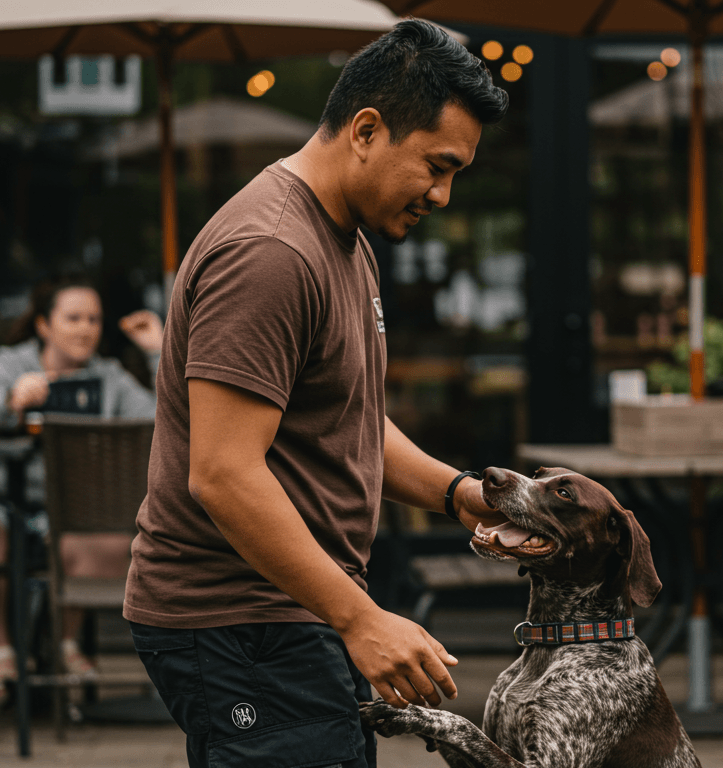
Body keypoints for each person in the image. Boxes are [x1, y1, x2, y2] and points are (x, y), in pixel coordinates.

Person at [123, 19, 511, 768]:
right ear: (366, 130)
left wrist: (459, 493)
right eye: (437, 165)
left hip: (287, 609)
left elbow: (351, 420)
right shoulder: (271, 252)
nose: (444, 194)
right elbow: (223, 472)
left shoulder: (344, 236)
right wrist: (360, 618)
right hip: (238, 622)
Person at [0, 276, 163, 698]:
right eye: (73, 318)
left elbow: (164, 418)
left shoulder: (110, 377)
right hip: (0, 499)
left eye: (94, 319)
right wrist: (11, 400)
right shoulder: (11, 363)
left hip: (74, 514)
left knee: (110, 542)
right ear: (44, 325)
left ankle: (65, 643)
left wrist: (156, 352)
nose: (85, 328)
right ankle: (2, 652)